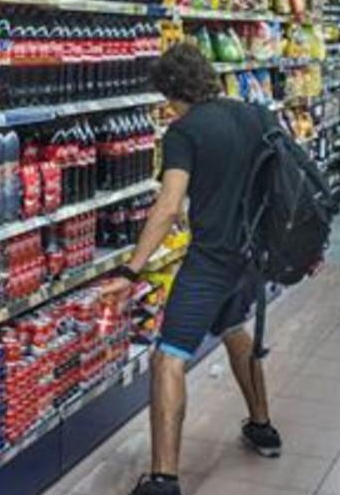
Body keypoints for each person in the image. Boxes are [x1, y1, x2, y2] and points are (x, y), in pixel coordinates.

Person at [119, 44, 282, 495]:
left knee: (168, 357)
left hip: (211, 260)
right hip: (251, 256)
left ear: (172, 91)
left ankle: (163, 479)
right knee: (234, 328)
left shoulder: (183, 132)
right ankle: (262, 425)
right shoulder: (256, 115)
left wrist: (133, 269)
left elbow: (169, 206)